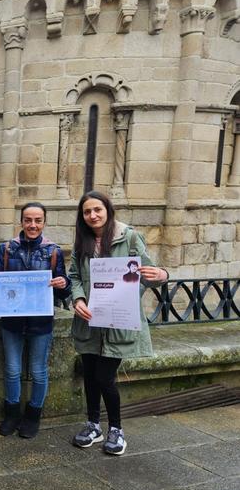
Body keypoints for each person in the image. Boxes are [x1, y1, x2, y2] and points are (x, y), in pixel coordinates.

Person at [69, 191, 168, 456]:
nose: (93, 215)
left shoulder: (130, 237)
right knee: (89, 375)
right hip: (90, 321)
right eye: (87, 211)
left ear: (108, 210)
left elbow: (149, 273)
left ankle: (116, 429)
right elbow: (74, 275)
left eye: (97, 210)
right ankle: (93, 425)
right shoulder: (82, 241)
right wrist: (77, 298)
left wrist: (162, 274)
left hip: (117, 321)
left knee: (105, 377)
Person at [0, 202, 71, 438]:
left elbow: (63, 291)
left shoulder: (54, 252)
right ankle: (11, 414)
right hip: (12, 320)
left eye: (38, 220)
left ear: (44, 223)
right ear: (21, 222)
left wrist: (63, 284)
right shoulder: (7, 249)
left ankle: (32, 416)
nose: (33, 225)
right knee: (12, 369)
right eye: (28, 220)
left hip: (41, 322)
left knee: (38, 371)